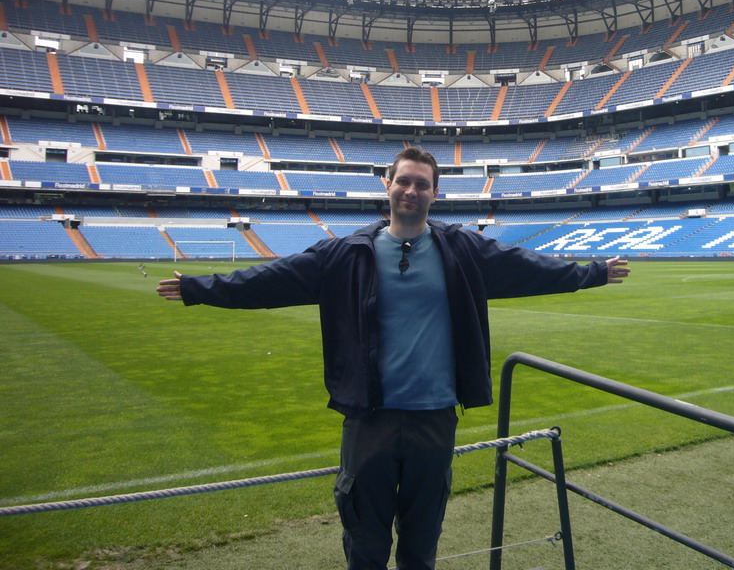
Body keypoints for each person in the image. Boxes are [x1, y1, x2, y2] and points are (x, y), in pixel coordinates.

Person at [156, 146, 630, 570]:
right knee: (365, 543)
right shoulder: (347, 254)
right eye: (403, 180)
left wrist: (592, 273)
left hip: (434, 419)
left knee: (421, 546)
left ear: (435, 194)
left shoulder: (461, 250)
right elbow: (272, 280)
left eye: (422, 184)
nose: (411, 190)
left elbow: (529, 269)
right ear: (388, 185)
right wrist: (200, 288)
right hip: (369, 420)